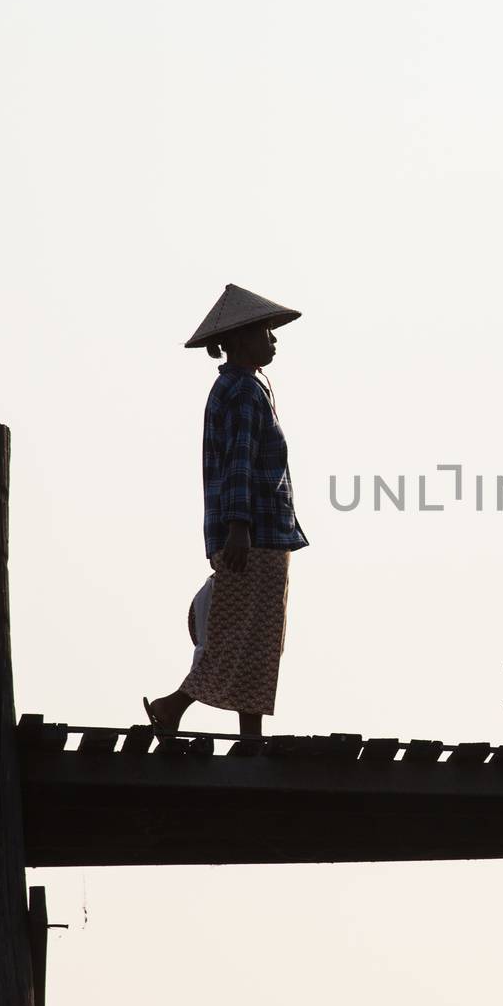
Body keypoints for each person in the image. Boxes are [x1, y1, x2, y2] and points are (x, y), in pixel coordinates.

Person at [143, 284, 309, 737]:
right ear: (238, 340)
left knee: (256, 635)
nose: (273, 340)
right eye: (264, 332)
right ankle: (174, 704)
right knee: (241, 632)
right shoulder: (240, 391)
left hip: (261, 530)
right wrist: (240, 528)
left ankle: (245, 733)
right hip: (254, 532)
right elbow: (238, 463)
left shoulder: (246, 386)